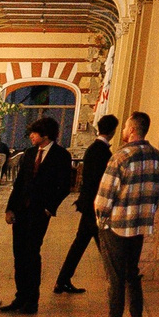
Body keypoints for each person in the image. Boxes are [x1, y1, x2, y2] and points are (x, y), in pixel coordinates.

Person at [89, 111, 159, 317]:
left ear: (131, 130)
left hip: (116, 225)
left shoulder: (121, 157)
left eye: (125, 127)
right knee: (133, 275)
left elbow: (104, 197)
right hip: (139, 225)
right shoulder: (157, 156)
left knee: (115, 279)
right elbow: (158, 191)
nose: (122, 131)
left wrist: (101, 221)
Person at [2, 115, 75, 315]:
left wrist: (49, 208)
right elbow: (19, 183)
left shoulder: (61, 155)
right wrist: (10, 208)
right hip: (21, 210)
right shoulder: (29, 153)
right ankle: (20, 296)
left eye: (34, 133)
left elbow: (65, 186)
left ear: (46, 135)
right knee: (19, 253)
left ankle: (31, 300)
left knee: (32, 252)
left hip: (39, 211)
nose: (31, 136)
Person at [52, 113, 115, 295]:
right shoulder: (102, 152)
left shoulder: (93, 149)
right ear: (112, 131)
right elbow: (99, 181)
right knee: (104, 245)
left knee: (83, 243)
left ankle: (63, 280)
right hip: (95, 206)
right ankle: (118, 277)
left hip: (89, 205)